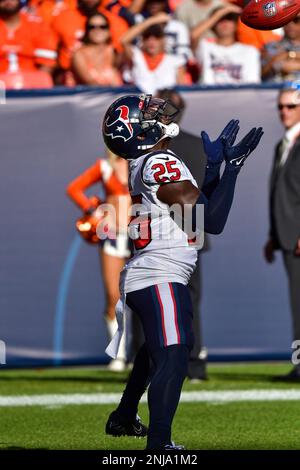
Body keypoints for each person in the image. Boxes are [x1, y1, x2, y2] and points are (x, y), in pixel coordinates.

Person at [102, 93, 263, 449]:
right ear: (137, 131)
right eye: (147, 113)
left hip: (153, 271)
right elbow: (211, 220)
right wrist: (233, 169)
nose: (157, 112)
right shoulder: (159, 160)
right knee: (175, 354)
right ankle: (159, 447)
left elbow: (195, 210)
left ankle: (125, 416)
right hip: (160, 271)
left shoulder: (149, 161)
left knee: (158, 348)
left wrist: (213, 170)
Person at [156, 88, 209, 380]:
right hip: (191, 230)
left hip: (159, 232)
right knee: (188, 300)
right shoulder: (197, 146)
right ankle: (194, 362)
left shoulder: (147, 148)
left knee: (152, 297)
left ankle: (155, 363)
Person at [67, 151, 131, 371]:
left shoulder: (140, 162)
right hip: (112, 236)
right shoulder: (104, 167)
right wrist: (93, 211)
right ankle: (119, 354)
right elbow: (74, 188)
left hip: (137, 236)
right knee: (114, 296)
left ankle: (142, 351)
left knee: (142, 295)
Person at [264, 87, 300, 381]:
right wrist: (273, 235)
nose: (284, 112)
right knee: (297, 302)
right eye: (280, 107)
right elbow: (281, 193)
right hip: (288, 236)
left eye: (290, 106)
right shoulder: (283, 144)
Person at [120, 13, 186, 93]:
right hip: (139, 103)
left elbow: (182, 93)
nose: (151, 42)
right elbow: (124, 41)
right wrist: (152, 20)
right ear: (142, 40)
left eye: (157, 37)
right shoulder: (136, 56)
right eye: (147, 37)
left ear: (163, 40)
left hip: (166, 104)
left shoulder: (176, 61)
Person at [193, 6, 261, 85]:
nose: (224, 23)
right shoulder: (205, 47)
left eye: (229, 19)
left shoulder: (250, 51)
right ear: (212, 25)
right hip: (208, 95)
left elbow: (252, 84)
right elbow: (193, 35)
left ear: (236, 25)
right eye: (220, 20)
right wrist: (222, 12)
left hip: (239, 96)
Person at [0, 0, 57, 76]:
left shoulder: (38, 25)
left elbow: (47, 64)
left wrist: (36, 84)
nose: (8, 1)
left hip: (32, 82)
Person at [72, 12, 122, 86]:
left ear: (109, 31)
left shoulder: (113, 52)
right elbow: (90, 82)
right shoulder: (79, 54)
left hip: (115, 95)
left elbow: (126, 42)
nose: (97, 30)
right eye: (92, 27)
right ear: (87, 31)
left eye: (103, 27)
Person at [261, 14, 300, 83]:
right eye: (286, 21)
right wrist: (274, 61)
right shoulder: (270, 46)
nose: (290, 25)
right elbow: (259, 74)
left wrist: (289, 56)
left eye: (296, 20)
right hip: (274, 90)